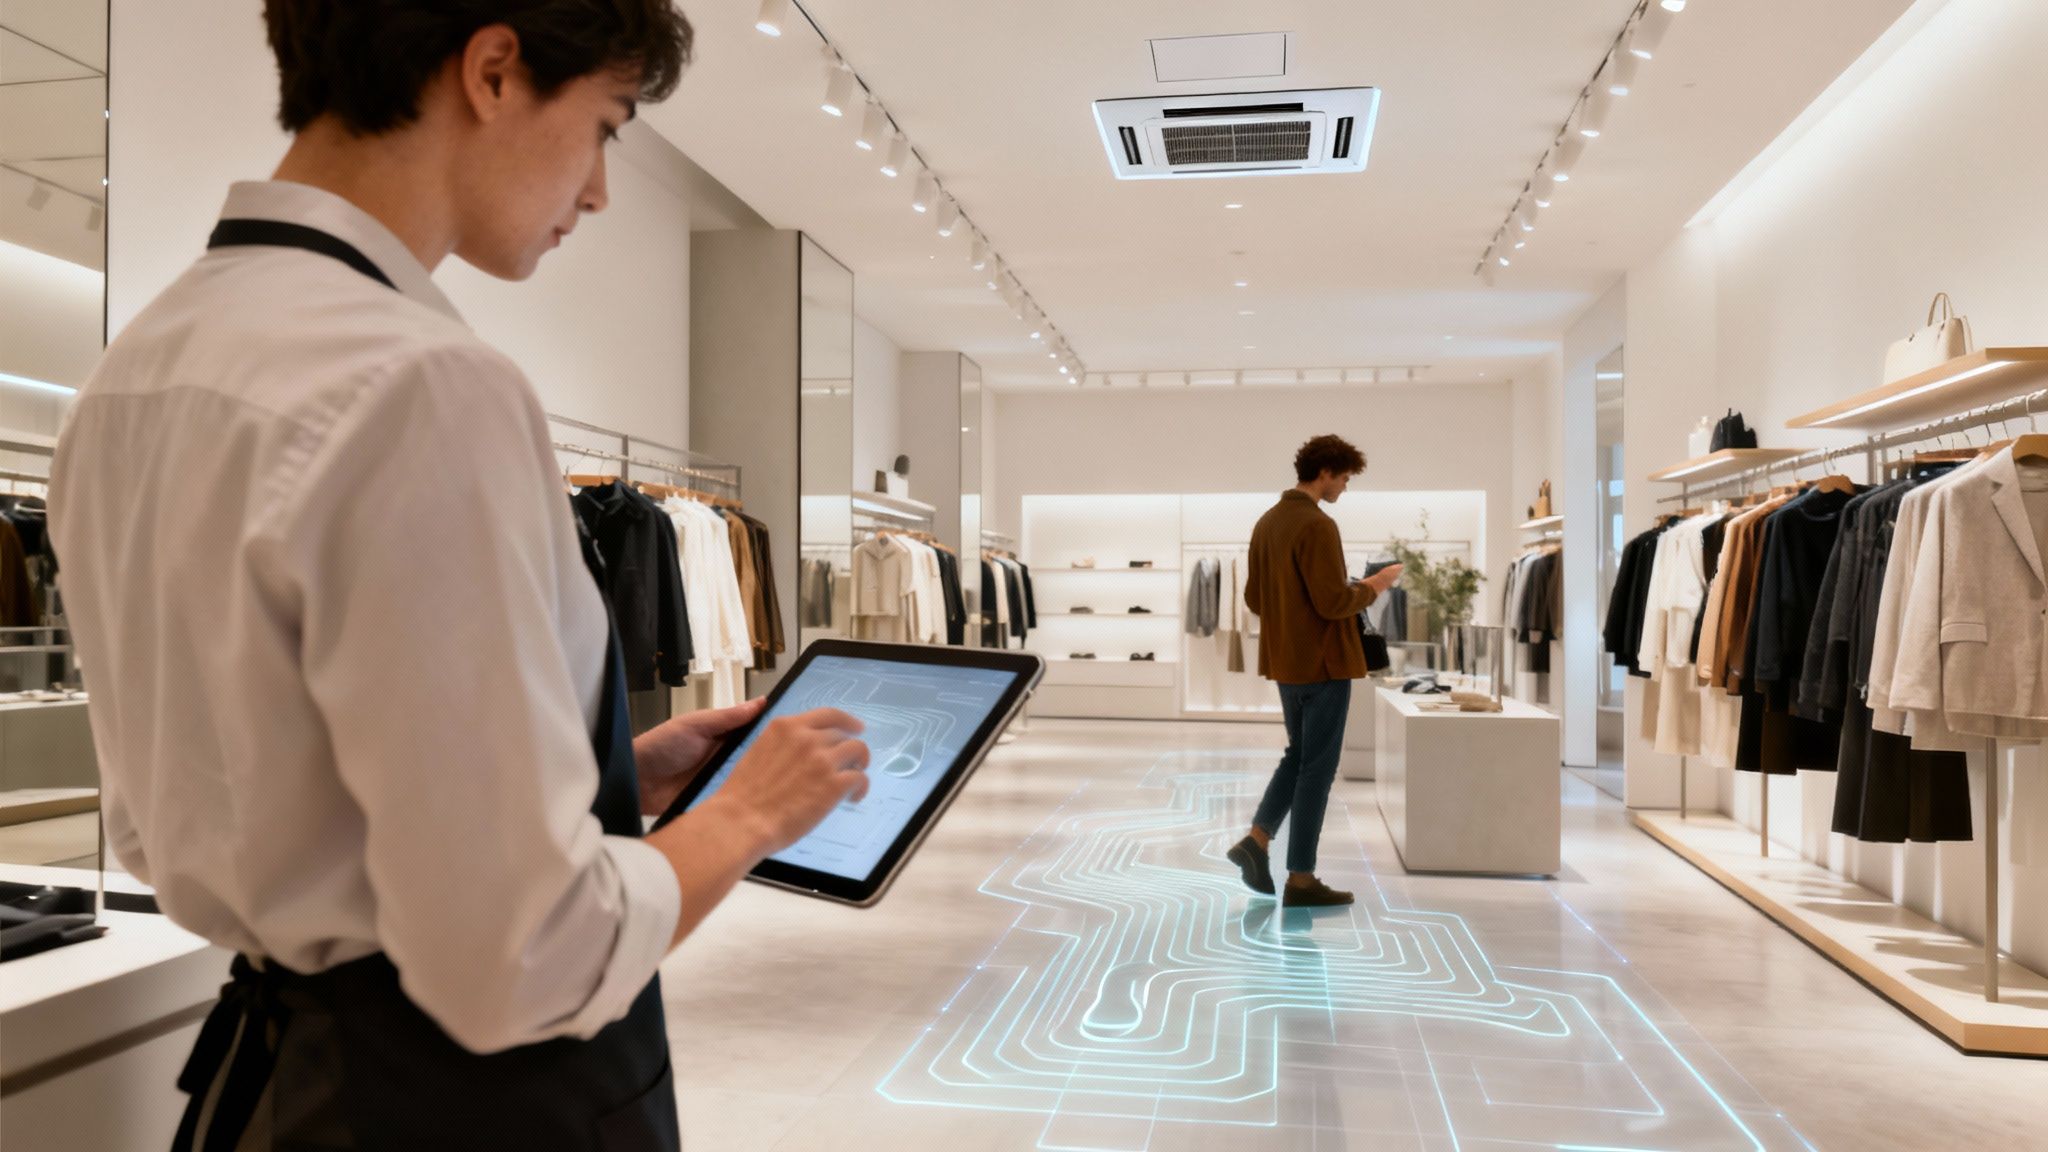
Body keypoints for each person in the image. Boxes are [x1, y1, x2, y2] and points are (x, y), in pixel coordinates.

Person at [48, 4, 872, 1149]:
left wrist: (602, 785)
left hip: (273, 1087)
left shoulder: (130, 374)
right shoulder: (422, 383)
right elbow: (523, 957)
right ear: (492, 71)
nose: (594, 193)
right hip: (453, 1109)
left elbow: (252, 792)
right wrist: (749, 812)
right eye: (603, 127)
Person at [1226, 435, 1403, 907]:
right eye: (1345, 478)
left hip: (1287, 662)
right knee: (1317, 769)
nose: (1345, 487)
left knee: (1299, 756)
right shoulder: (1318, 525)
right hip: (1324, 663)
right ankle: (1301, 878)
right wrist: (1374, 584)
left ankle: (1257, 841)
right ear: (1325, 471)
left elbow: (1254, 599)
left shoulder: (1267, 522)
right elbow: (1331, 602)